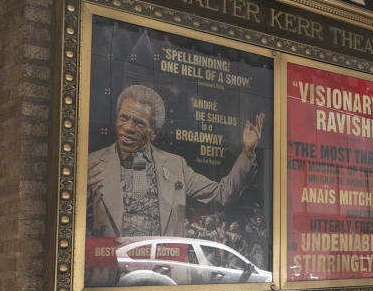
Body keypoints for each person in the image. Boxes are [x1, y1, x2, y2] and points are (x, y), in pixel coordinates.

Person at [87, 84, 265, 239]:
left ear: (154, 132)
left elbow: (222, 194)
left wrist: (247, 151)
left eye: (139, 123)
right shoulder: (90, 164)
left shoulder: (175, 166)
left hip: (166, 273)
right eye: (124, 118)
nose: (128, 128)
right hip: (113, 273)